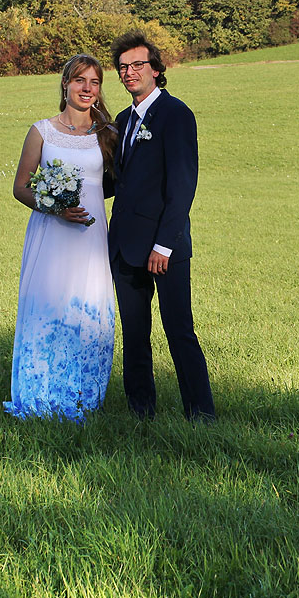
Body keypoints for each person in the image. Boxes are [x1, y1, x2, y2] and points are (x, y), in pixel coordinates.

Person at [108, 31, 216, 422]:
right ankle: (140, 413)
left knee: (179, 333)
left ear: (155, 69)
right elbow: (116, 180)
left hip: (163, 249)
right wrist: (67, 185)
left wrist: (164, 246)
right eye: (123, 67)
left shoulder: (176, 114)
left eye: (138, 65)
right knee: (135, 337)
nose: (129, 72)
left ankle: (201, 414)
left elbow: (183, 185)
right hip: (124, 248)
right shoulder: (122, 120)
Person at [4, 55, 118, 422]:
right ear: (65, 84)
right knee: (48, 306)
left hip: (90, 238)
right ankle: (39, 393)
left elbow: (120, 184)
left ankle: (83, 396)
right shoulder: (42, 131)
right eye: (80, 81)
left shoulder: (107, 134)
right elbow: (21, 187)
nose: (87, 89)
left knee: (87, 309)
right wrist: (54, 206)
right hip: (51, 234)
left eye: (95, 82)